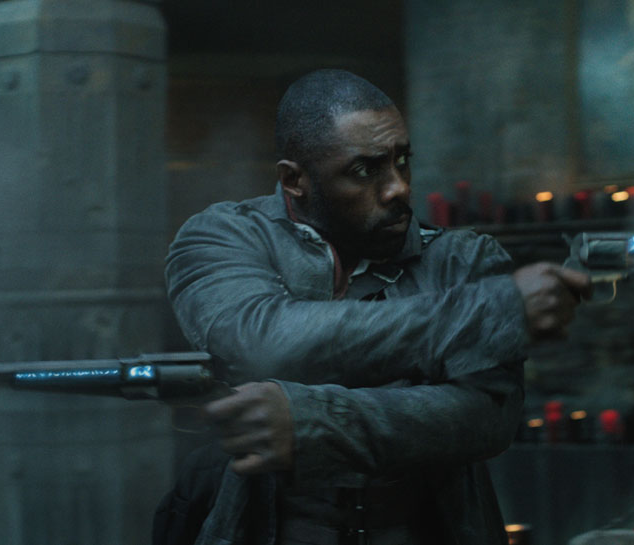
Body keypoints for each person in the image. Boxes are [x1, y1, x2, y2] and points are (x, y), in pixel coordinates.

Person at [154, 69, 590, 545]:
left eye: (402, 161)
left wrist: (314, 421)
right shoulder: (226, 235)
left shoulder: (460, 258)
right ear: (294, 180)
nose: (398, 188)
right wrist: (491, 311)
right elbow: (263, 345)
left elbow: (486, 418)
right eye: (364, 171)